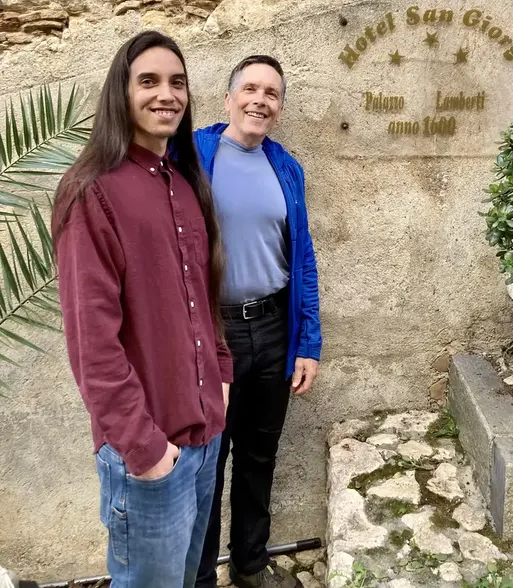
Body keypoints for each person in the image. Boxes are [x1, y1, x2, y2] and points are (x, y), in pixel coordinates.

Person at [52, 31, 232, 588]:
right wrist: (145, 448)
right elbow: (92, 344)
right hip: (151, 455)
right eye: (149, 81)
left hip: (205, 437)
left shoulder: (184, 184)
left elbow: (204, 300)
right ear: (120, 94)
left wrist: (222, 376)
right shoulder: (92, 193)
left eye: (177, 82)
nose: (167, 94)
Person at [194, 55, 322, 588]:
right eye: (249, 89)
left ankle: (249, 564)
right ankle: (199, 577)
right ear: (228, 100)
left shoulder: (285, 167)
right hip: (210, 336)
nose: (259, 100)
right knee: (205, 466)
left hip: (272, 330)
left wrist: (308, 342)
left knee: (259, 456)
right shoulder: (193, 155)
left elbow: (304, 259)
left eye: (271, 93)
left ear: (280, 107)